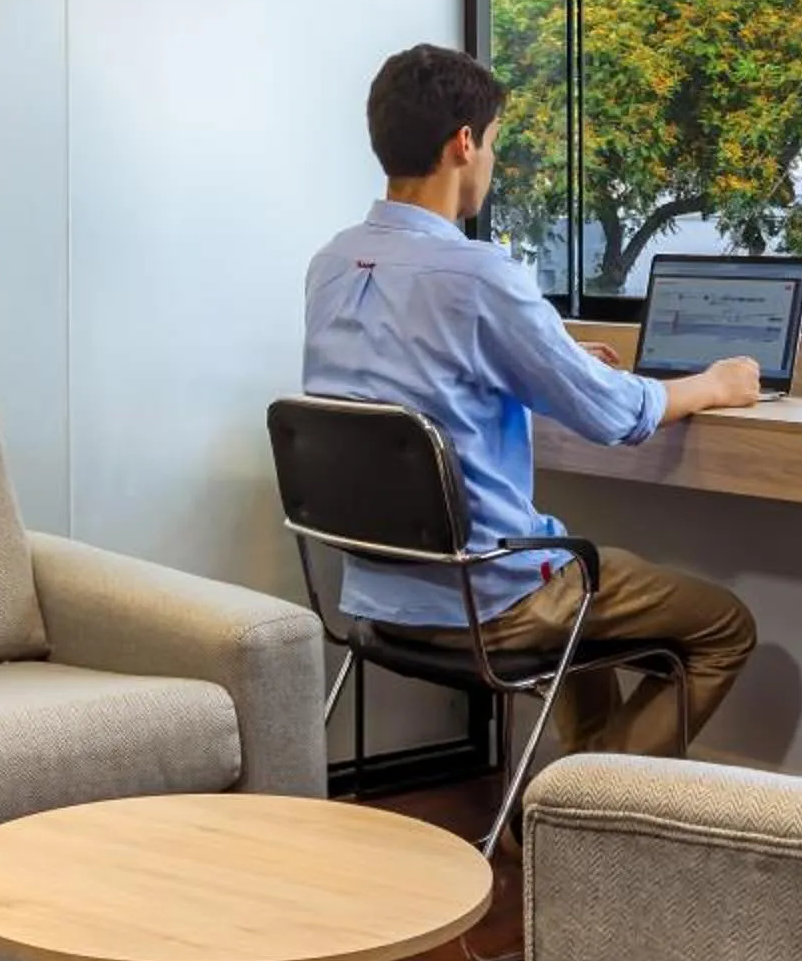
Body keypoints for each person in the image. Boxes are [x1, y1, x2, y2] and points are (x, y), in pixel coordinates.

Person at [301, 43, 765, 768]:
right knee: (723, 626)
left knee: (578, 577)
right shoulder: (479, 274)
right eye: (490, 143)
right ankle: (573, 810)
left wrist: (558, 357)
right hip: (485, 601)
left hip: (376, 592)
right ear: (463, 143)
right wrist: (715, 385)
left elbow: (424, 371)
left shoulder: (331, 263)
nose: (489, 159)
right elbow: (613, 415)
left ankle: (574, 797)